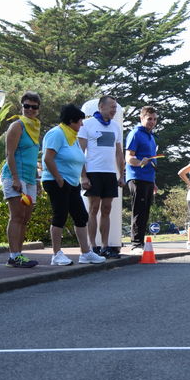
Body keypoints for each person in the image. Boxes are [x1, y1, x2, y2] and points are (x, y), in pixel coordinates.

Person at [41, 105, 106, 266]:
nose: (82, 125)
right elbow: (48, 158)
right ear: (71, 121)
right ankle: (56, 254)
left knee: (81, 216)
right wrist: (58, 178)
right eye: (80, 122)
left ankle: (85, 253)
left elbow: (78, 158)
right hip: (56, 182)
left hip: (71, 182)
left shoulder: (72, 137)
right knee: (60, 216)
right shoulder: (57, 134)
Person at [78, 94, 125, 259]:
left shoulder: (115, 126)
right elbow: (80, 152)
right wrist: (83, 176)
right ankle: (93, 246)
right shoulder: (87, 124)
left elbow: (119, 153)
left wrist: (122, 174)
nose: (114, 109)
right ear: (101, 107)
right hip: (93, 172)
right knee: (93, 209)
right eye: (111, 106)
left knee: (107, 209)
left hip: (110, 173)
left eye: (115, 107)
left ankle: (106, 246)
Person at [0, 91, 41, 268]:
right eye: (26, 106)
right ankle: (13, 255)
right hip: (15, 176)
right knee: (16, 216)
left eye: (34, 106)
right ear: (21, 107)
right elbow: (10, 154)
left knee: (25, 217)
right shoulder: (17, 126)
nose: (30, 109)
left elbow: (32, 156)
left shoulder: (35, 126)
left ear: (38, 109)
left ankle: (19, 254)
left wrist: (37, 180)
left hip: (30, 178)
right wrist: (16, 178)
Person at [125, 106, 162, 251]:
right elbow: (129, 157)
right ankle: (135, 244)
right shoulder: (135, 133)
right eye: (149, 119)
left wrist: (153, 182)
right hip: (136, 177)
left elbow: (152, 162)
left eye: (154, 119)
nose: (152, 122)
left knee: (145, 211)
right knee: (139, 211)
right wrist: (139, 162)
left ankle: (140, 242)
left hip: (148, 179)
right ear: (141, 118)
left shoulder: (151, 137)